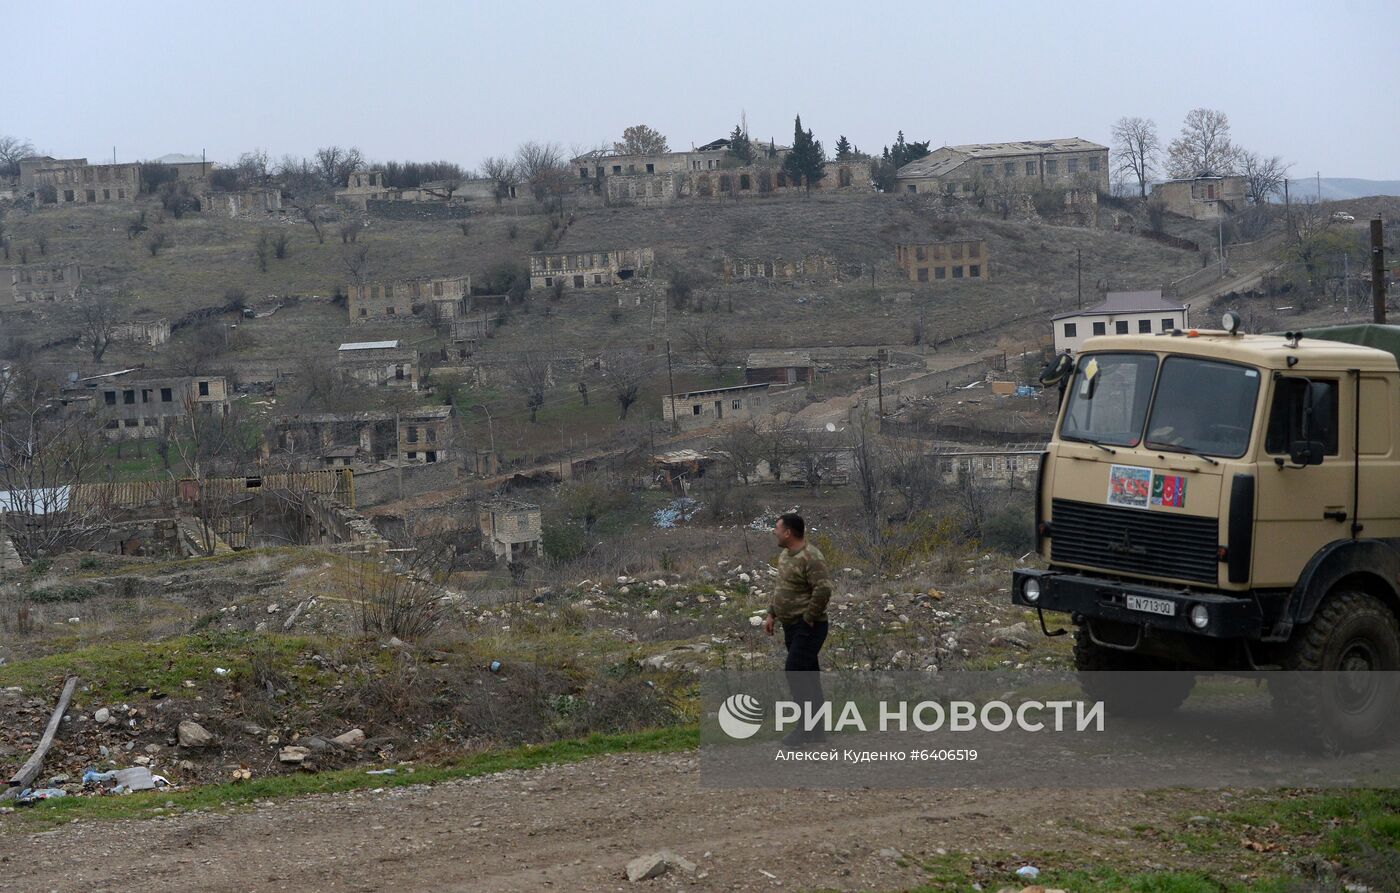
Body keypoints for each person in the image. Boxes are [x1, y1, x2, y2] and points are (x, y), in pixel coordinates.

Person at [763, 512, 832, 746]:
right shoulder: (784, 556)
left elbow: (823, 590)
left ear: (788, 532)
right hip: (790, 626)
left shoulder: (811, 557)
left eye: (777, 528)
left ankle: (804, 729)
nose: (775, 532)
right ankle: (817, 732)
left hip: (809, 626)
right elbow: (781, 587)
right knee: (809, 678)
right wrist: (771, 614)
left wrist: (809, 618)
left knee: (795, 671)